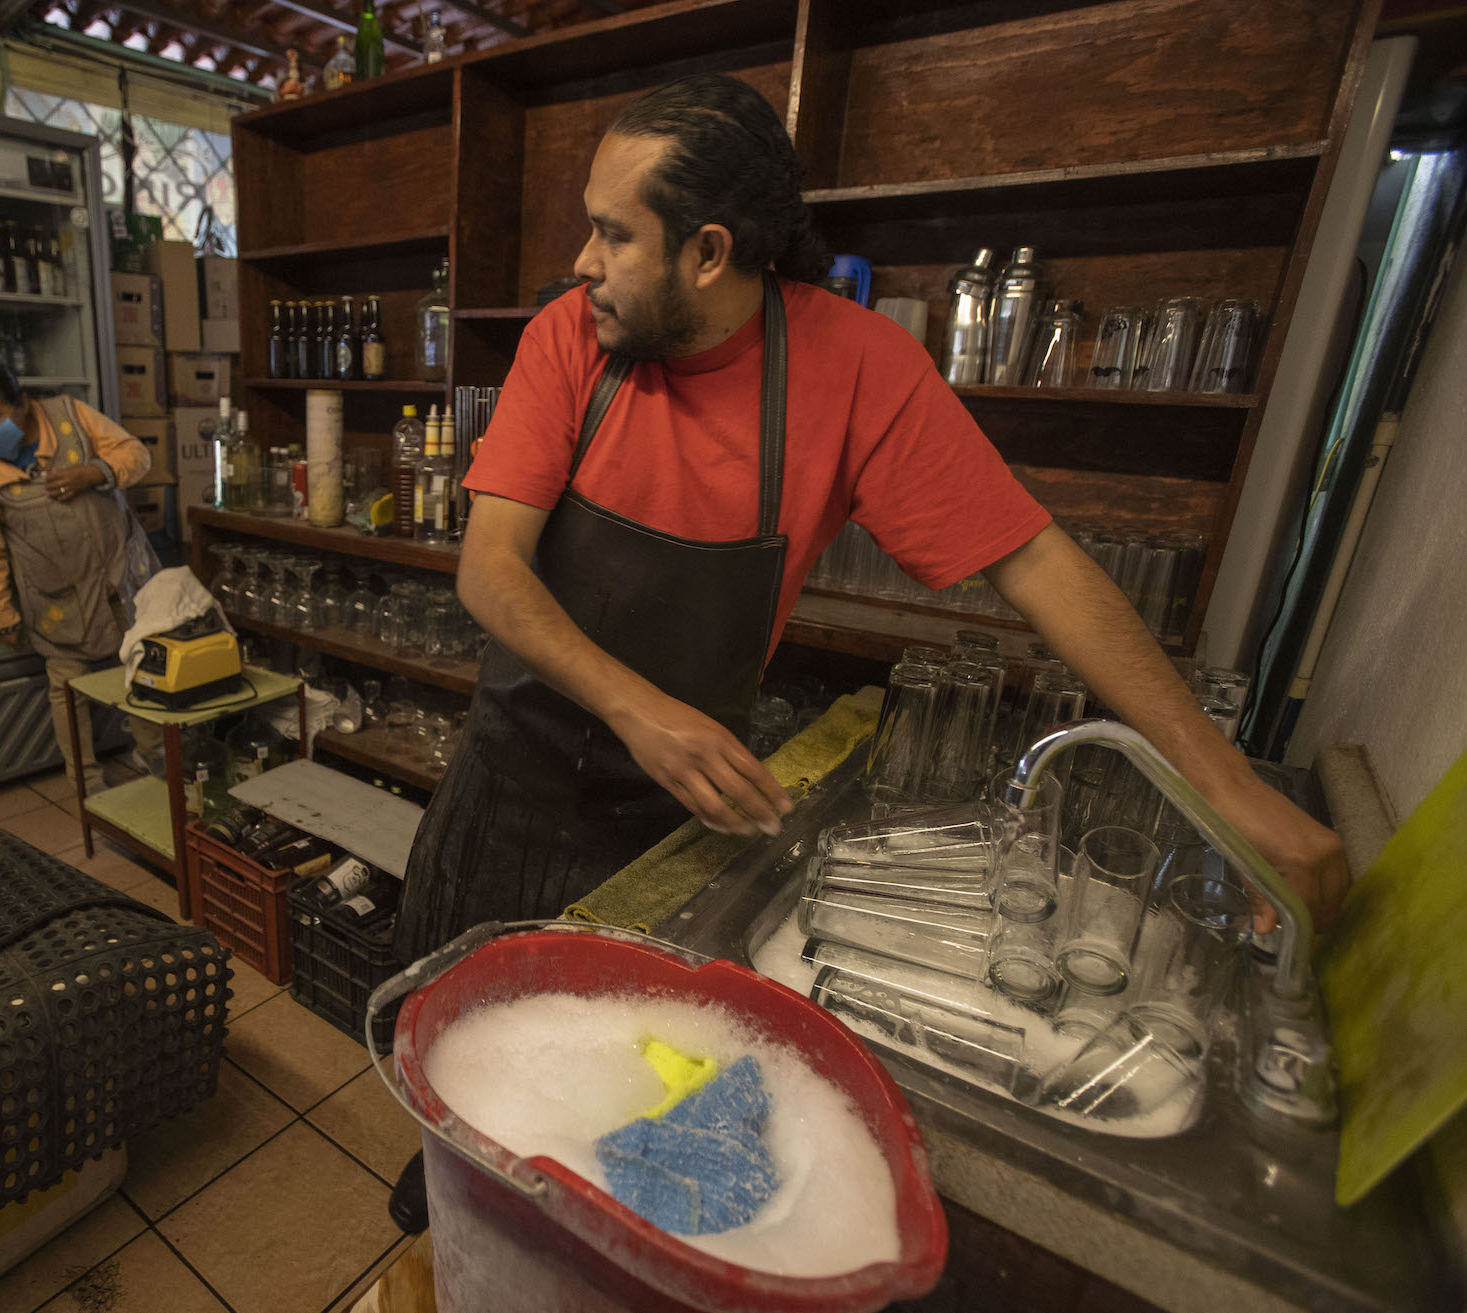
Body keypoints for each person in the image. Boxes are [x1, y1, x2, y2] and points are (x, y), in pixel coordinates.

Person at [395, 74, 1348, 963]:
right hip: (506, 801)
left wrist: (1229, 790)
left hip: (679, 825)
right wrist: (638, 709)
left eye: (614, 235)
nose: (582, 261)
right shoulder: (569, 338)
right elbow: (491, 569)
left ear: (709, 251)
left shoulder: (859, 369)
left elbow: (1037, 564)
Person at [0, 359, 153, 792]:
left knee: (144, 672)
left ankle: (157, 760)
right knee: (68, 688)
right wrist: (1, 614)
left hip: (122, 577)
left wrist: (96, 471)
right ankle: (87, 784)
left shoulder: (70, 416)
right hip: (58, 598)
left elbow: (137, 455)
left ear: (23, 404)